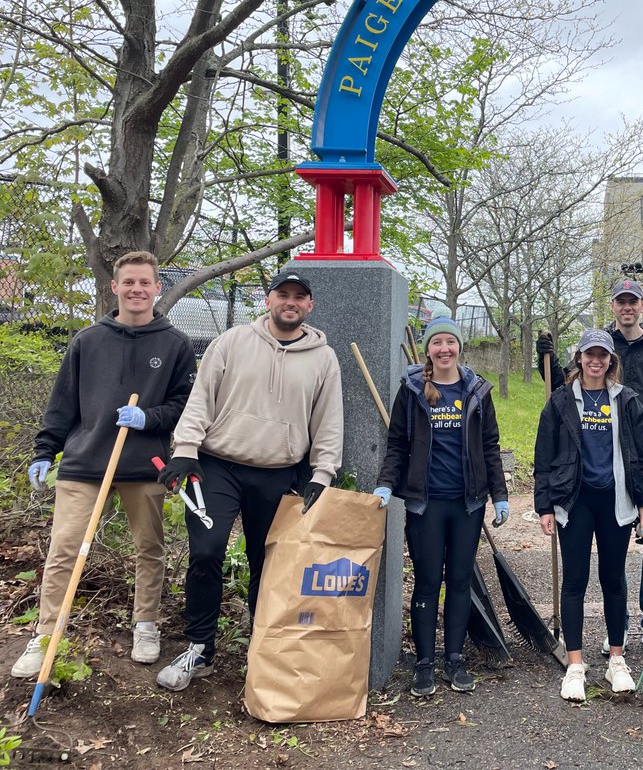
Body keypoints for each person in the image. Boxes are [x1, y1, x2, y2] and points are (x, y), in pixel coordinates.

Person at [154, 269, 343, 691]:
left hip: (278, 472)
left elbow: (328, 420)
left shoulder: (323, 358)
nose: (290, 302)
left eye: (299, 296)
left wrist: (323, 472)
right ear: (268, 300)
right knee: (206, 554)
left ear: (309, 306)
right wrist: (185, 450)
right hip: (216, 466)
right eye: (282, 295)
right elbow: (201, 396)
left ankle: (264, 648)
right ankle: (199, 648)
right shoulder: (232, 342)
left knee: (269, 563)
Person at [12, 252, 196, 679]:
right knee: (64, 549)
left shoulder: (175, 344)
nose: (136, 289)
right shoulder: (88, 340)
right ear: (114, 287)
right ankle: (45, 635)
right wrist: (44, 451)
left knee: (149, 550)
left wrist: (148, 417)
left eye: (145, 282)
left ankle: (145, 626)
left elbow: (185, 406)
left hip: (143, 465)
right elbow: (62, 404)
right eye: (128, 282)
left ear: (158, 288)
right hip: (84, 463)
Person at [371, 307, 509, 697]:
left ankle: (455, 659)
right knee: (429, 582)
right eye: (437, 342)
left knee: (460, 580)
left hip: (467, 504)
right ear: (428, 350)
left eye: (450, 342)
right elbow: (397, 444)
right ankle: (424, 664)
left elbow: (490, 447)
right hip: (425, 505)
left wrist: (499, 495)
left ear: (459, 348)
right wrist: (386, 484)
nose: (444, 348)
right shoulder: (413, 391)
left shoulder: (477, 391)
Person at [537, 278, 643, 652]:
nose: (627, 306)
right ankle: (602, 641)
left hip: (637, 472)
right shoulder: (580, 377)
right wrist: (540, 357)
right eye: (620, 301)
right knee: (580, 575)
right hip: (583, 486)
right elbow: (559, 393)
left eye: (633, 301)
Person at [534, 328, 643, 701]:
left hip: (615, 502)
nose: (596, 361)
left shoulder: (626, 400)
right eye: (590, 355)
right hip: (575, 501)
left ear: (611, 361)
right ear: (580, 359)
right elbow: (544, 456)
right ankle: (575, 665)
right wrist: (544, 506)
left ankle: (617, 659)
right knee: (575, 581)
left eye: (603, 355)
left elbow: (639, 456)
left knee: (614, 580)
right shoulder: (560, 401)